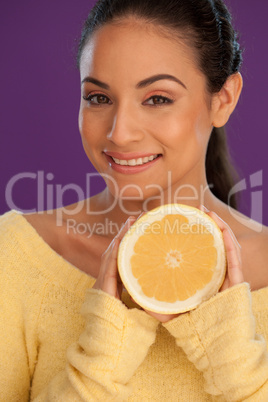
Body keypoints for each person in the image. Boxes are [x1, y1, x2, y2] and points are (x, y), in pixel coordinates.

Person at [0, 0, 268, 400]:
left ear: (223, 99)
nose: (120, 133)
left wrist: (231, 352)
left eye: (158, 98)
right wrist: (101, 357)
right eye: (98, 98)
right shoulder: (17, 255)